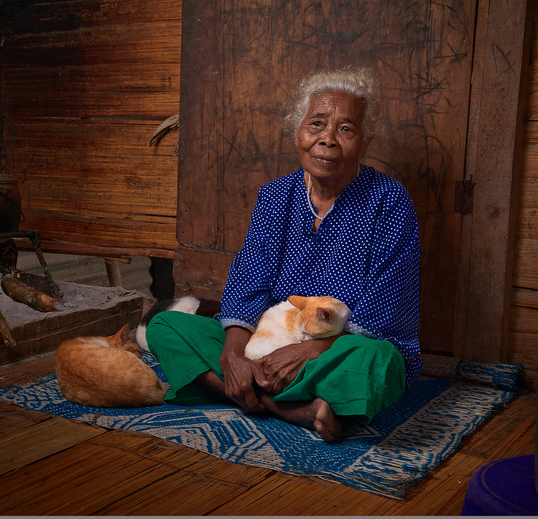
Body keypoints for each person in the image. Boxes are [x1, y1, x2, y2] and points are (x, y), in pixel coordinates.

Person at [146, 66, 423, 442]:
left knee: (380, 362)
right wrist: (234, 354)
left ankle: (247, 393)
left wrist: (309, 351)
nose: (328, 140)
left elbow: (385, 312)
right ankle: (288, 406)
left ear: (365, 143)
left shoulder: (389, 201)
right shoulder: (275, 196)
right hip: (268, 340)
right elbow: (248, 281)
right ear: (298, 132)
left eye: (346, 129)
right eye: (317, 124)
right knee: (166, 326)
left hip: (338, 347)